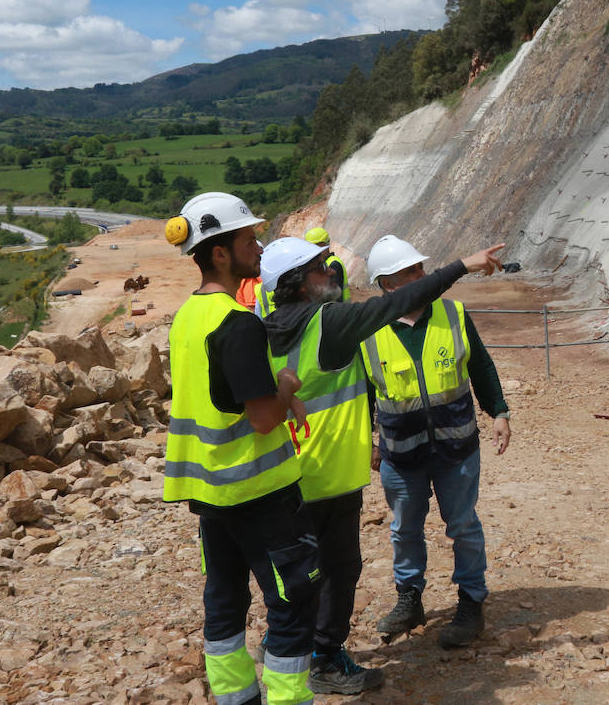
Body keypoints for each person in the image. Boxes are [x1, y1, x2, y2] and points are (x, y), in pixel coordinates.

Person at [257, 235, 505, 693]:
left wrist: (499, 411)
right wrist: (462, 266)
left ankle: (286, 645)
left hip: (291, 475)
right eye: (318, 271)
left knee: (301, 572)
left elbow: (480, 365)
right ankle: (329, 651)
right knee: (345, 564)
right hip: (351, 469)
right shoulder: (341, 326)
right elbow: (370, 372)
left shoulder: (259, 330)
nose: (330, 275)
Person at [161, 192, 318, 705]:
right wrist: (289, 387)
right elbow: (263, 416)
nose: (258, 245)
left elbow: (217, 398)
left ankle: (236, 698)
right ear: (221, 253)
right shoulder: (237, 321)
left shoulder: (187, 317)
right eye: (249, 238)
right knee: (292, 600)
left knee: (225, 601)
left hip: (210, 493)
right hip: (258, 491)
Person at [363, 235, 512, 649]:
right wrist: (369, 443)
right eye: (409, 272)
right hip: (399, 454)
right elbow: (362, 394)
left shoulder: (452, 313)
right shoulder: (368, 328)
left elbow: (480, 364)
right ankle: (409, 600)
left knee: (463, 526)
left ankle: (470, 603)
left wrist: (498, 410)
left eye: (420, 268)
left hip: (456, 450)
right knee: (404, 530)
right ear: (388, 284)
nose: (421, 276)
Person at [305, 226, 350, 302]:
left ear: (324, 244)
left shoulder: (333, 264)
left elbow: (334, 297)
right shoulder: (322, 263)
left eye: (315, 245)